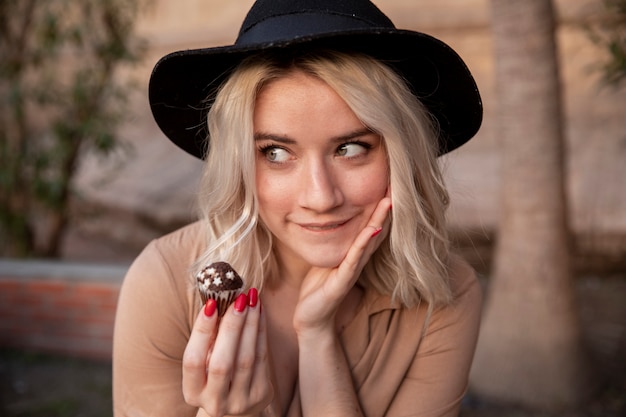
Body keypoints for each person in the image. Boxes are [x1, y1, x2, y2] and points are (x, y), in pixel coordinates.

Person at [113, 0, 483, 416]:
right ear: (239, 165)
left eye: (351, 148)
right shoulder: (164, 282)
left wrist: (318, 336)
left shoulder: (444, 294)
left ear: (402, 156)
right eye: (275, 153)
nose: (321, 198)